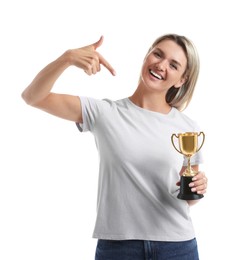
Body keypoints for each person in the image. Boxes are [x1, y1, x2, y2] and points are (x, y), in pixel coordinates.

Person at [22, 34, 208, 260]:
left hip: (178, 247)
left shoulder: (187, 127)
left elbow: (188, 199)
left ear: (181, 80)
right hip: (119, 248)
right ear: (147, 55)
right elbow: (33, 97)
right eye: (158, 54)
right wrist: (67, 58)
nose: (161, 65)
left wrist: (197, 188)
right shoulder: (104, 112)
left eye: (173, 64)